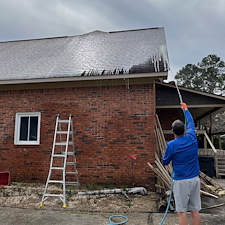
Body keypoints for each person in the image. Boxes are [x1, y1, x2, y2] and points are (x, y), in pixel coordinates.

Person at [162, 103, 201, 225]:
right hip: (195, 179)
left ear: (172, 131)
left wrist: (168, 155)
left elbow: (165, 161)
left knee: (181, 212)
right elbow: (191, 123)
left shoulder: (172, 145)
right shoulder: (192, 137)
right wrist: (186, 110)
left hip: (181, 181)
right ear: (184, 130)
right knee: (195, 210)